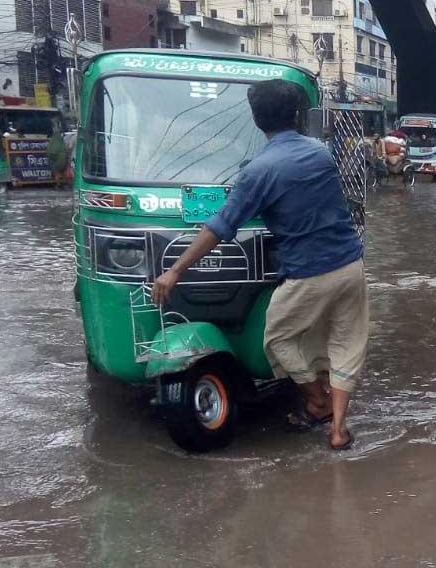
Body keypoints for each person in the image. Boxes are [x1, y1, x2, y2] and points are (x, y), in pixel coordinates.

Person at [151, 79, 368, 451]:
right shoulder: (320, 154)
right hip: (351, 266)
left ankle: (317, 402)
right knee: (346, 342)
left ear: (256, 121)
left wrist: (176, 269)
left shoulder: (259, 171)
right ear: (297, 116)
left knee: (278, 338)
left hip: (307, 274)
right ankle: (338, 430)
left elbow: (220, 226)